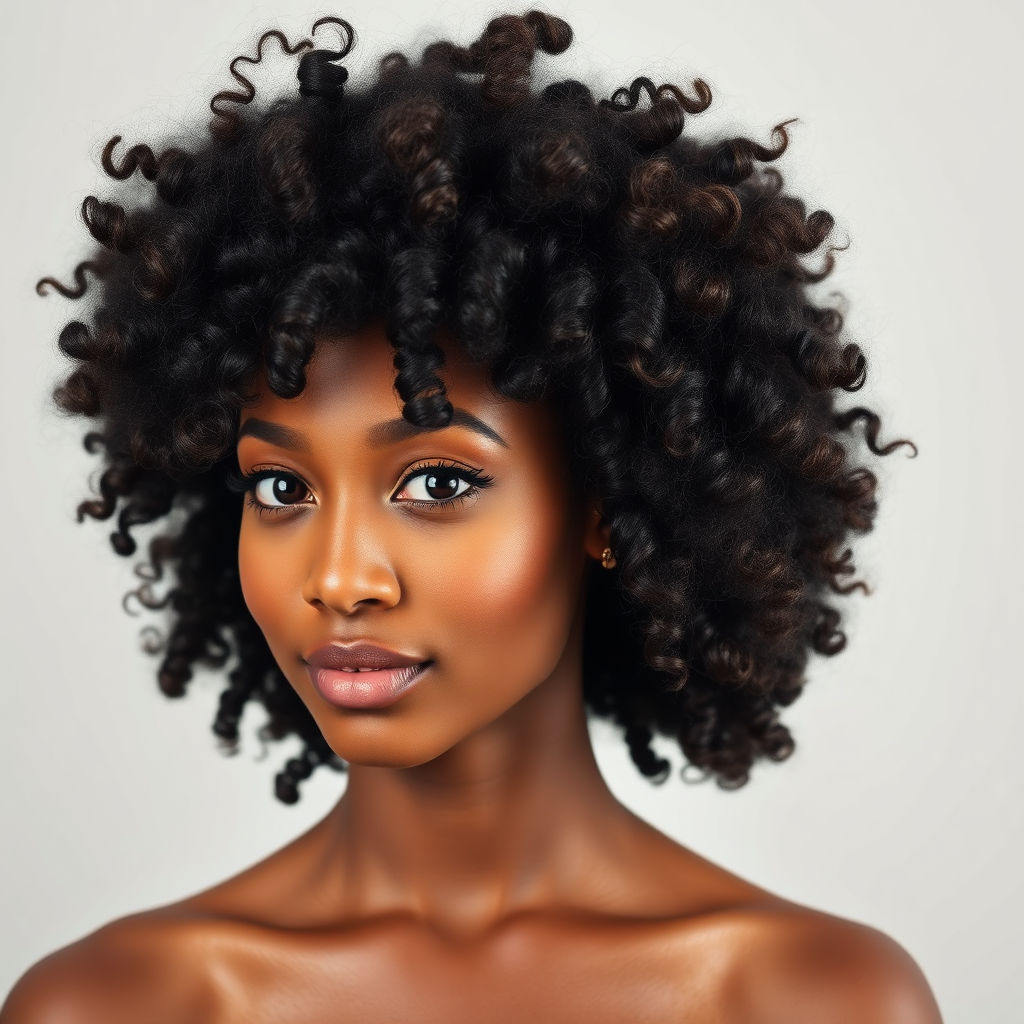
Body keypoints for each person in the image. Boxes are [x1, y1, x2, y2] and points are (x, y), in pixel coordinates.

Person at [0, 11, 942, 1022]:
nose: (342, 576)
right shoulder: (120, 1005)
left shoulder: (810, 999)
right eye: (281, 489)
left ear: (608, 504)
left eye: (437, 485)